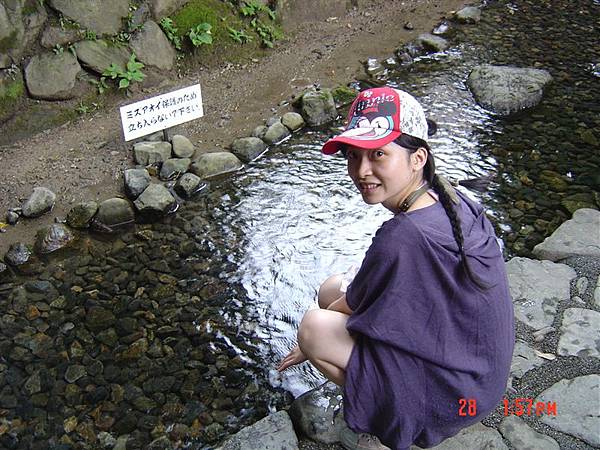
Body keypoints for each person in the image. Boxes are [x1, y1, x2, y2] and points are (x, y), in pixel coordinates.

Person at [277, 87, 515, 450]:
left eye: (378, 155)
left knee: (314, 327)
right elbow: (361, 296)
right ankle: (378, 386)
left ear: (417, 158)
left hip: (454, 399)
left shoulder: (404, 236)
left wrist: (305, 347)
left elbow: (349, 307)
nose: (362, 171)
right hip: (481, 376)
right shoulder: (451, 196)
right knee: (331, 288)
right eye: (353, 156)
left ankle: (385, 417)